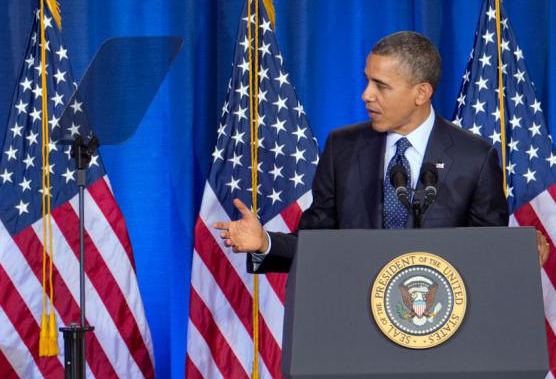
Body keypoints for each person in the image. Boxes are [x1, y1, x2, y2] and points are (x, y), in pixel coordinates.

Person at [214, 30, 525, 271]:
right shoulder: (343, 148)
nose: (366, 95)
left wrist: (519, 252)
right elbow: (316, 244)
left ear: (421, 93)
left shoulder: (475, 158)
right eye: (367, 81)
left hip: (441, 332)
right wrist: (264, 242)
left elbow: (488, 256)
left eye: (381, 86)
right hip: (356, 328)